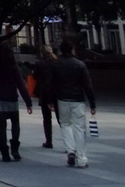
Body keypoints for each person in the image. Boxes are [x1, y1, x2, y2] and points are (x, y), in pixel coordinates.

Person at [50, 39, 97, 168]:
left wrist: (50, 100)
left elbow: (51, 84)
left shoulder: (55, 64)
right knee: (79, 128)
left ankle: (70, 150)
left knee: (65, 124)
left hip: (62, 98)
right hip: (77, 99)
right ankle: (82, 158)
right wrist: (92, 103)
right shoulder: (80, 65)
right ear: (72, 50)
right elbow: (87, 85)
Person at [0, 41, 33, 161]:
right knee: (15, 123)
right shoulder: (13, 65)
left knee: (1, 126)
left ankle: (4, 151)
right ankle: (15, 148)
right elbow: (21, 84)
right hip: (11, 97)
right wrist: (28, 102)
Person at [34, 44, 60, 148]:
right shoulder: (57, 62)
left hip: (44, 92)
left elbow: (35, 76)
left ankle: (48, 141)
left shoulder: (40, 63)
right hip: (57, 92)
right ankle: (69, 141)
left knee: (47, 118)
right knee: (61, 118)